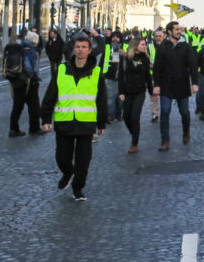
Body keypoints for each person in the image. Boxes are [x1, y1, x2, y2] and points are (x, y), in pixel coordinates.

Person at [40, 34, 106, 202]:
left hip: (86, 123)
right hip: (64, 121)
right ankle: (68, 173)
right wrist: (46, 119)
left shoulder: (97, 73)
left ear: (90, 50)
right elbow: (50, 94)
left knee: (83, 161)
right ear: (73, 49)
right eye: (78, 47)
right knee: (62, 158)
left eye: (84, 47)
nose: (80, 50)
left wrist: (101, 122)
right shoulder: (61, 70)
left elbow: (101, 99)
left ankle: (78, 188)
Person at [152, 21, 199, 151]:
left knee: (184, 112)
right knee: (165, 112)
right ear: (169, 31)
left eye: (180, 29)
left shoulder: (186, 46)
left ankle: (186, 132)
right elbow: (157, 68)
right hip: (166, 85)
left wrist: (194, 83)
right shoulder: (162, 47)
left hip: (182, 84)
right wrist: (156, 84)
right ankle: (165, 141)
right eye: (177, 29)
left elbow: (192, 66)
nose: (179, 31)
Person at [117, 37, 154, 154]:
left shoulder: (145, 59)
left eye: (145, 44)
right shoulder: (125, 59)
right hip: (127, 91)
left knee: (135, 117)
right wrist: (121, 92)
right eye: (142, 44)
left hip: (140, 92)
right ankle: (134, 133)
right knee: (126, 117)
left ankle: (134, 144)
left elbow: (148, 76)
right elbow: (121, 77)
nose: (144, 46)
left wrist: (151, 92)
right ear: (135, 46)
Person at [8, 31, 44, 137]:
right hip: (28, 82)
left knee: (17, 106)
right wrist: (33, 77)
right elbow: (29, 65)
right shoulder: (30, 50)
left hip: (17, 80)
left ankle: (13, 129)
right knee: (34, 106)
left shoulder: (19, 47)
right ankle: (34, 128)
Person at [99, 31, 124, 124]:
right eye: (113, 37)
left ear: (120, 39)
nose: (115, 39)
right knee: (110, 98)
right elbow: (102, 61)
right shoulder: (108, 48)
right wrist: (99, 72)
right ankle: (110, 116)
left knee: (120, 99)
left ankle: (118, 115)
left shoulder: (124, 48)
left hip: (122, 78)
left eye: (117, 37)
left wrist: (125, 54)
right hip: (109, 76)